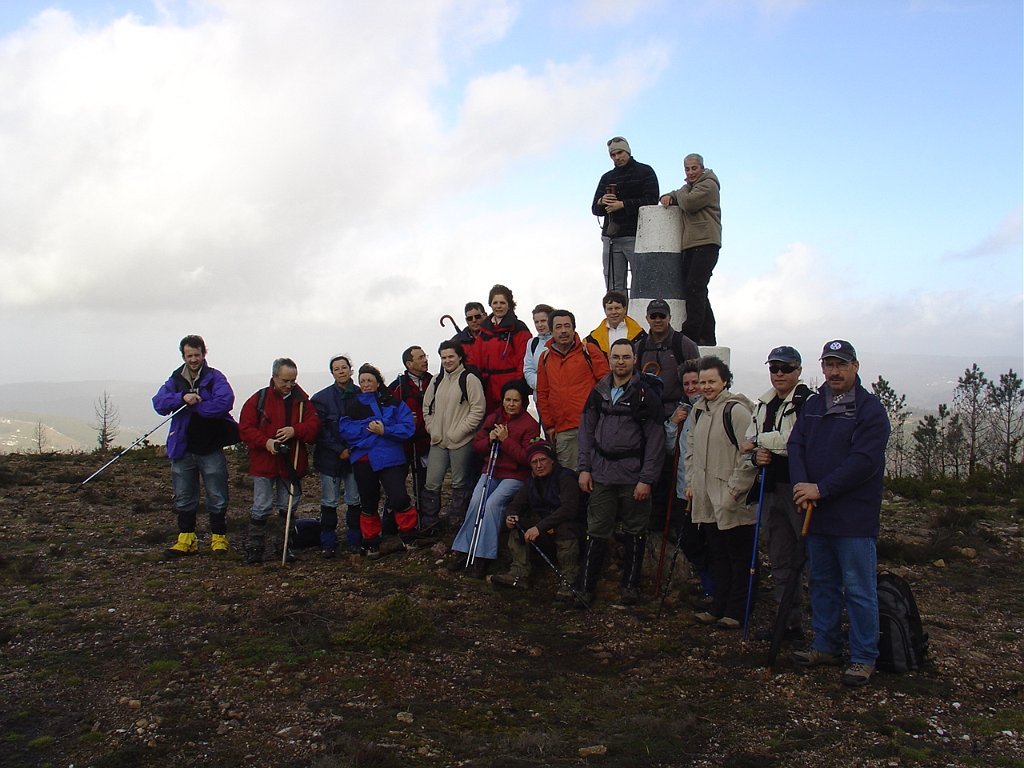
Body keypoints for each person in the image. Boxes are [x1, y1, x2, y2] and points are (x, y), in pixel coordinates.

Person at [789, 340, 890, 687]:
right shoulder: (815, 405)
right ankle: (825, 645)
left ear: (855, 367)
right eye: (829, 364)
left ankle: (864, 656)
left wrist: (821, 488)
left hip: (853, 518)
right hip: (817, 513)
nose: (834, 371)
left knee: (859, 588)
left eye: (841, 365)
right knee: (822, 583)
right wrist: (802, 485)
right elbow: (796, 444)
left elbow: (863, 462)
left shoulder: (871, 411)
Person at [576, 339, 665, 606]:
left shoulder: (645, 396)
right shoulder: (599, 391)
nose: (621, 362)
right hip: (601, 472)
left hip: (633, 475)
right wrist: (584, 468)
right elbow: (586, 430)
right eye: (616, 357)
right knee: (597, 529)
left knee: (635, 530)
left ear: (634, 360)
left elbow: (656, 441)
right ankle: (585, 588)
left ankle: (630, 586)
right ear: (610, 359)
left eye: (626, 357)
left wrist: (646, 479)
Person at [739, 346, 812, 640]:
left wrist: (758, 442)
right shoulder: (763, 405)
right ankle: (787, 622)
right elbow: (746, 449)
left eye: (786, 368)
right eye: (774, 368)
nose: (779, 373)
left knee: (807, 559)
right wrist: (756, 455)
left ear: (798, 370)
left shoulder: (807, 403)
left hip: (798, 488)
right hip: (769, 488)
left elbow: (793, 441)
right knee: (779, 558)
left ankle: (818, 626)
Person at [684, 356, 758, 629]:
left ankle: (738, 611)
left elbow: (748, 456)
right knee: (718, 554)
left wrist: (733, 492)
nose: (706, 386)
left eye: (711, 381)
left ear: (725, 380)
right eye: (702, 381)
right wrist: (691, 484)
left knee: (739, 557)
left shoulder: (736, 411)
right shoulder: (699, 411)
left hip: (731, 499)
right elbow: (691, 452)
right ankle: (719, 605)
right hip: (707, 498)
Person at [152, 334, 239, 557]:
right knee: (183, 494)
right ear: (183, 355)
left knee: (217, 493)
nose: (193, 359)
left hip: (210, 445)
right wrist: (183, 397)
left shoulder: (215, 377)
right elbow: (159, 403)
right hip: (183, 446)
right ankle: (186, 538)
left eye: (197, 355)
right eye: (189, 355)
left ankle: (218, 537)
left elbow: (225, 402)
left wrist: (197, 405)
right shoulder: (175, 379)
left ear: (204, 354)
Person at [445, 380, 540, 578]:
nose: (511, 404)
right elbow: (477, 445)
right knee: (476, 502)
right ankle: (464, 549)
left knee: (492, 505)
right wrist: (490, 440)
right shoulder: (494, 418)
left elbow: (526, 458)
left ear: (523, 402)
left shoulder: (529, 424)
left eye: (516, 400)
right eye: (508, 400)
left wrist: (506, 441)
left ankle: (482, 556)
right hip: (491, 470)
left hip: (514, 476)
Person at [238, 358, 320, 565]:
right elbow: (245, 428)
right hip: (264, 463)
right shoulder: (259, 399)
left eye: (293, 380)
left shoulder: (303, 401)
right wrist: (265, 442)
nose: (289, 385)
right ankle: (255, 548)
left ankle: (284, 546)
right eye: (285, 380)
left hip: (292, 464)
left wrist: (295, 431)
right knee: (261, 506)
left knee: (288, 507)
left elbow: (314, 427)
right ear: (274, 377)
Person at [338, 364, 417, 558]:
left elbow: (407, 427)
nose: (365, 384)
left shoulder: (393, 402)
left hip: (391, 458)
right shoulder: (353, 404)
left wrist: (385, 431)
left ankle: (409, 535)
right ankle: (371, 540)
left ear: (378, 382)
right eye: (362, 381)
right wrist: (372, 429)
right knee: (368, 501)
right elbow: (345, 430)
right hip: (364, 459)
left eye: (369, 380)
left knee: (399, 497)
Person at [489, 439, 583, 599]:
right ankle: (519, 573)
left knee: (564, 528)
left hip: (572, 530)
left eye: (542, 460)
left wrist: (539, 528)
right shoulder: (532, 482)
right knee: (517, 525)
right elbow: (516, 503)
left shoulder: (565, 477)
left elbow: (569, 510)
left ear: (552, 460)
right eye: (534, 462)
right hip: (545, 531)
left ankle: (570, 579)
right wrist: (510, 515)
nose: (539, 465)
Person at [421, 340, 487, 532]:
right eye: (443, 357)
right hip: (438, 440)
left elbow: (478, 409)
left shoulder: (469, 379)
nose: (447, 360)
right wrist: (432, 429)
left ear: (459, 356)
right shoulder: (436, 380)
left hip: (461, 441)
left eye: (451, 356)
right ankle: (430, 523)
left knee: (460, 483)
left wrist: (459, 432)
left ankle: (457, 523)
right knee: (431, 482)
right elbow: (427, 407)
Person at [535, 309, 609, 471]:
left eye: (567, 326)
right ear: (552, 331)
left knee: (596, 473)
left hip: (592, 426)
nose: (563, 331)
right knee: (569, 478)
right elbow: (542, 393)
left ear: (574, 328)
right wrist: (549, 425)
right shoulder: (545, 358)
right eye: (558, 327)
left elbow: (606, 385)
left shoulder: (589, 351)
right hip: (563, 430)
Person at [659, 153, 721, 345]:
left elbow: (688, 203)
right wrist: (668, 195)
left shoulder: (708, 185)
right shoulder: (692, 188)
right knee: (696, 289)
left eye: (694, 168)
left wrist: (681, 191)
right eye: (687, 169)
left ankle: (691, 333)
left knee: (695, 287)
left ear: (702, 168)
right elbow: (671, 196)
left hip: (706, 243)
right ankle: (707, 335)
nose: (691, 172)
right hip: (692, 244)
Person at [663, 359, 713, 598]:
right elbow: (671, 448)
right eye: (687, 383)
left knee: (713, 542)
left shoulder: (714, 409)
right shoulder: (682, 411)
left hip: (710, 490)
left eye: (696, 382)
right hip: (685, 489)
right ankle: (708, 584)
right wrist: (673, 424)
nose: (692, 387)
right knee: (690, 541)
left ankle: (717, 590)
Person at [591, 136, 659, 293]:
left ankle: (638, 317)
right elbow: (595, 209)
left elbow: (652, 200)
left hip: (636, 235)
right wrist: (602, 201)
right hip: (611, 237)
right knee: (613, 285)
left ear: (627, 151)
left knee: (641, 282)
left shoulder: (645, 171)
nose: (617, 157)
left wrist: (622, 205)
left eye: (620, 153)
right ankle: (618, 317)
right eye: (613, 155)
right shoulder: (607, 177)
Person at [311, 354, 363, 558]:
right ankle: (328, 541)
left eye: (344, 367)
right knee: (329, 500)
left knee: (354, 499)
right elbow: (320, 430)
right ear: (332, 372)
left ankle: (355, 539)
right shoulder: (320, 398)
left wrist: (353, 449)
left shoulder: (361, 394)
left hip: (355, 456)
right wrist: (338, 449)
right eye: (336, 368)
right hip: (329, 459)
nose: (341, 371)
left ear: (351, 370)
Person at [632, 299, 700, 420]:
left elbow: (699, 378)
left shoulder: (685, 345)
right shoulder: (639, 348)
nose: (658, 320)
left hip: (680, 413)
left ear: (669, 317)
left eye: (662, 316)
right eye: (653, 316)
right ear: (647, 318)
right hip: (648, 414)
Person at [475, 284, 532, 413]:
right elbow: (477, 357)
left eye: (502, 302)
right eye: (495, 302)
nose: (498, 306)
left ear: (509, 304)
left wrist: (517, 387)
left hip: (511, 388)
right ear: (490, 304)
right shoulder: (484, 330)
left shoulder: (518, 328)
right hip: (488, 388)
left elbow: (524, 359)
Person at [389, 345, 432, 508]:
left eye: (425, 356)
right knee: (397, 484)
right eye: (420, 357)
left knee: (426, 483)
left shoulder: (434, 382)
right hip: (403, 443)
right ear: (409, 363)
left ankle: (427, 518)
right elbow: (387, 413)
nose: (425, 360)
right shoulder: (397, 387)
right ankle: (393, 521)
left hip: (426, 442)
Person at [585, 289, 646, 358]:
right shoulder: (592, 339)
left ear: (625, 309)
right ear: (605, 311)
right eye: (610, 309)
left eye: (617, 308)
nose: (614, 312)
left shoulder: (640, 336)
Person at [522, 303, 554, 394]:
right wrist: (541, 384)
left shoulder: (561, 340)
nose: (539, 325)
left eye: (543, 321)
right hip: (540, 397)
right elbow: (528, 370)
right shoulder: (532, 343)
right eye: (536, 322)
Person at [452, 301, 486, 369]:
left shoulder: (495, 337)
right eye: (469, 318)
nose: (474, 320)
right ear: (466, 321)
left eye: (477, 317)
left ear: (485, 315)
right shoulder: (456, 342)